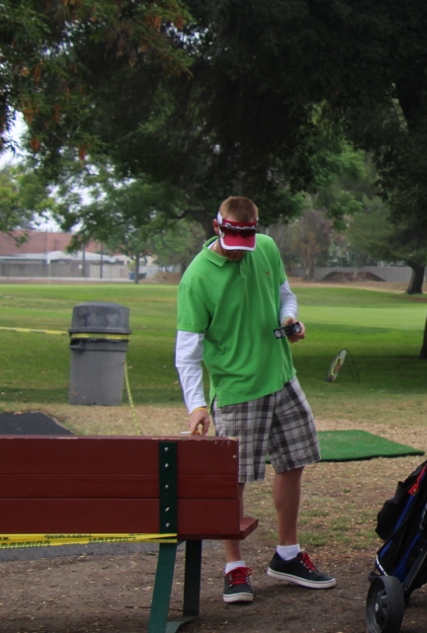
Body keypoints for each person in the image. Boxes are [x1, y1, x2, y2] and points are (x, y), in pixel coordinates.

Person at [174, 196, 335, 605]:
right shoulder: (196, 278)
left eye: (249, 235)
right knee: (236, 479)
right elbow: (188, 353)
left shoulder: (263, 247)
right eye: (235, 237)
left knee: (294, 461)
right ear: (217, 227)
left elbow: (284, 293)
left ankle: (287, 554)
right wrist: (195, 405)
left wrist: (289, 318)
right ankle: (234, 567)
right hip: (236, 390)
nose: (242, 245)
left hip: (282, 378)